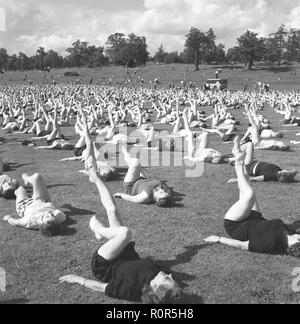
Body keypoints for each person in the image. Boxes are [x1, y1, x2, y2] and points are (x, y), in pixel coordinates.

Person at [59, 145, 182, 303]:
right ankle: (95, 177)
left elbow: (101, 288)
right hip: (126, 253)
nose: (170, 275)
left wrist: (76, 279)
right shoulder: (159, 274)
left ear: (156, 286)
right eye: (172, 278)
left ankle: (99, 230)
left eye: (168, 279)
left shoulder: (131, 290)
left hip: (106, 264)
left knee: (125, 233)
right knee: (112, 209)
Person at [205, 138, 300, 256]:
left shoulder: (270, 244)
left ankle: (238, 162)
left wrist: (218, 239)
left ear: (294, 243)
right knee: (247, 187)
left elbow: (243, 245)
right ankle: (240, 160)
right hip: (255, 218)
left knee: (249, 195)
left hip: (236, 224)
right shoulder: (289, 232)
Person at [227, 141, 298, 183]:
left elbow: (253, 179)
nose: (287, 171)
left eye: (287, 172)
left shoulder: (272, 176)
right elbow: (294, 171)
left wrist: (236, 180)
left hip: (249, 166)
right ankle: (233, 157)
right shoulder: (279, 170)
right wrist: (293, 173)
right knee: (242, 152)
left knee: (250, 144)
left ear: (283, 174)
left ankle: (234, 155)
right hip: (254, 162)